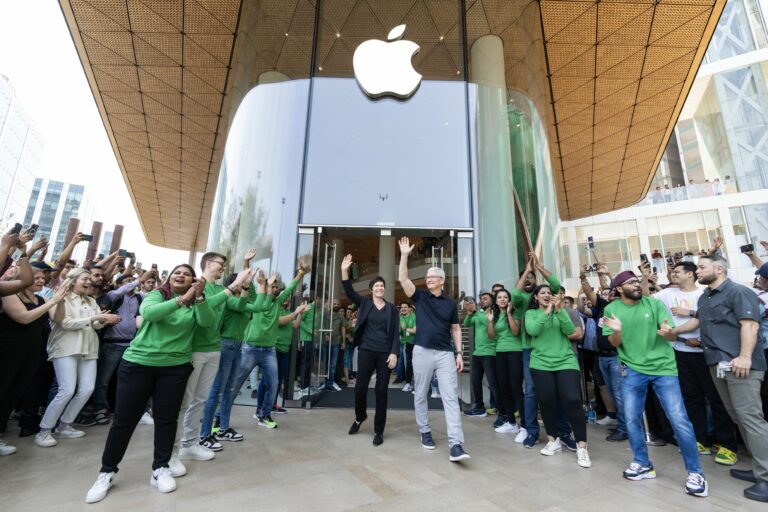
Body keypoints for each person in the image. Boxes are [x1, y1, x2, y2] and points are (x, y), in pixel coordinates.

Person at [84, 264, 212, 503]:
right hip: (138, 365)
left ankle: (160, 468)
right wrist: (182, 299)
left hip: (175, 368)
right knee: (123, 421)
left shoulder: (197, 303)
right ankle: (107, 472)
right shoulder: (156, 295)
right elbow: (151, 314)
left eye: (187, 273)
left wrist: (200, 297)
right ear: (169, 278)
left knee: (166, 420)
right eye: (176, 272)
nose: (181, 275)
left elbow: (206, 323)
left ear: (194, 281)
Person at [668, 255, 768, 502]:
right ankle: (759, 469)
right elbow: (698, 321)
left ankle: (766, 476)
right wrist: (674, 332)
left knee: (751, 419)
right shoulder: (706, 297)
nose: (697, 271)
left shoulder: (739, 292)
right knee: (738, 418)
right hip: (718, 365)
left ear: (719, 269)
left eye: (702, 267)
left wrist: (744, 356)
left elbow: (750, 326)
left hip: (741, 365)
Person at [602, 270, 708, 497]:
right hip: (631, 370)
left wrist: (669, 333)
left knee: (679, 419)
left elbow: (669, 334)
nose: (637, 285)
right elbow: (613, 342)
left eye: (636, 281)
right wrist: (618, 331)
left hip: (663, 369)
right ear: (620, 289)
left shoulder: (654, 304)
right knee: (631, 419)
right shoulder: (611, 309)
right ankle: (642, 463)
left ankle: (695, 473)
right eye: (631, 283)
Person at [654, 261, 738, 464]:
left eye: (677, 272)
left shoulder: (704, 294)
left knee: (717, 399)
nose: (673, 274)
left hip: (706, 353)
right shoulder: (666, 294)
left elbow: (705, 321)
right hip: (681, 353)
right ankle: (701, 440)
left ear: (690, 274)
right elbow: (648, 299)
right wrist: (676, 336)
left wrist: (691, 331)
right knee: (692, 398)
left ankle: (727, 444)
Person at [175, 254, 251, 465]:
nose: (223, 269)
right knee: (186, 401)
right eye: (220, 265)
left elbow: (238, 305)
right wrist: (234, 284)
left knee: (201, 399)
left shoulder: (219, 289)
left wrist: (244, 286)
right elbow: (207, 304)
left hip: (214, 348)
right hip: (194, 350)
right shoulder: (196, 285)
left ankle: (191, 444)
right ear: (208, 264)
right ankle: (178, 446)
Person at [398, 237, 469, 462]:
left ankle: (456, 444)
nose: (428, 279)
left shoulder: (449, 303)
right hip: (421, 351)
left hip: (445, 353)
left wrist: (459, 353)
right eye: (427, 277)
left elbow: (456, 328)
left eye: (432, 277)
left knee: (449, 397)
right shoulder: (420, 298)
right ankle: (425, 431)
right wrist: (404, 255)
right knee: (421, 393)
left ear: (442, 280)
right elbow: (402, 278)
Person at [36, 268, 120, 448]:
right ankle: (44, 431)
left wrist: (104, 320)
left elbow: (95, 326)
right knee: (66, 389)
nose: (89, 282)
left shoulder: (91, 300)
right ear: (73, 280)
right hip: (66, 347)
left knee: (87, 389)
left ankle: (65, 426)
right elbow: (64, 323)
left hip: (88, 348)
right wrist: (94, 318)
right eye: (85, 279)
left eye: (90, 279)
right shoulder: (61, 298)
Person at [0, 262, 66, 455]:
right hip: (8, 349)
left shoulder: (41, 298)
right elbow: (24, 318)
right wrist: (52, 302)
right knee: (2, 390)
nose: (40, 280)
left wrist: (59, 300)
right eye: (35, 277)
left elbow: (59, 320)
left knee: (13, 393)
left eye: (41, 278)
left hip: (31, 352)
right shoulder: (9, 294)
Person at [227, 265, 304, 429]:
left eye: (277, 286)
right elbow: (249, 284)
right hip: (250, 349)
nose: (275, 288)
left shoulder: (278, 302)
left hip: (269, 351)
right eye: (273, 285)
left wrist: (301, 273)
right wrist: (247, 262)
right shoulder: (257, 299)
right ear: (266, 286)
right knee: (236, 384)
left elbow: (290, 288)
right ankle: (221, 418)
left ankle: (264, 415)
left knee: (274, 384)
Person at [525, 285, 591, 468]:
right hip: (540, 363)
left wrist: (559, 310)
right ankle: (553, 441)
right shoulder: (531, 314)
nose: (547, 295)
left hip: (565, 361)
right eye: (543, 293)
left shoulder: (561, 311)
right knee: (546, 401)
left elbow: (570, 331)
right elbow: (533, 331)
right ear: (537, 297)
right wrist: (547, 311)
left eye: (549, 293)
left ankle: (582, 446)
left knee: (572, 400)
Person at [341, 254, 399, 445]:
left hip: (384, 353)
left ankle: (378, 430)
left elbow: (395, 333)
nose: (379, 288)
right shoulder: (365, 303)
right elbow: (349, 291)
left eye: (382, 286)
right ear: (371, 289)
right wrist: (344, 270)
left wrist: (394, 353)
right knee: (359, 389)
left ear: (384, 289)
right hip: (366, 350)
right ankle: (360, 416)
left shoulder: (391, 309)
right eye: (376, 286)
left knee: (381, 391)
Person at [199, 272, 253, 445]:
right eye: (244, 283)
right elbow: (240, 304)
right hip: (225, 346)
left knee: (230, 390)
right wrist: (244, 284)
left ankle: (223, 428)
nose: (247, 286)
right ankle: (204, 434)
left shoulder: (244, 300)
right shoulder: (228, 300)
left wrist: (252, 283)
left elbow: (255, 304)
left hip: (238, 346)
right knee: (217, 391)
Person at [463, 293, 499, 421]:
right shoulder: (479, 314)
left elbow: (487, 322)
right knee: (475, 381)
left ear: (492, 300)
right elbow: (467, 323)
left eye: (485, 299)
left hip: (490, 353)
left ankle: (503, 411)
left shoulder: (495, 312)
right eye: (481, 299)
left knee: (493, 384)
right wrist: (469, 312)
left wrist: (475, 311)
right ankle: (479, 407)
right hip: (478, 353)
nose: (482, 301)